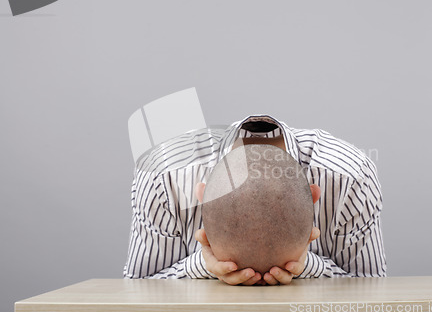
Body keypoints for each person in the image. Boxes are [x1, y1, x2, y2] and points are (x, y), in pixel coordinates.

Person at [124, 114, 386, 285]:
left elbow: (373, 295)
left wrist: (307, 265)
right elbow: (135, 294)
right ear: (203, 198)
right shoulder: (163, 174)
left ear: (313, 195)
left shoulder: (349, 177)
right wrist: (204, 264)